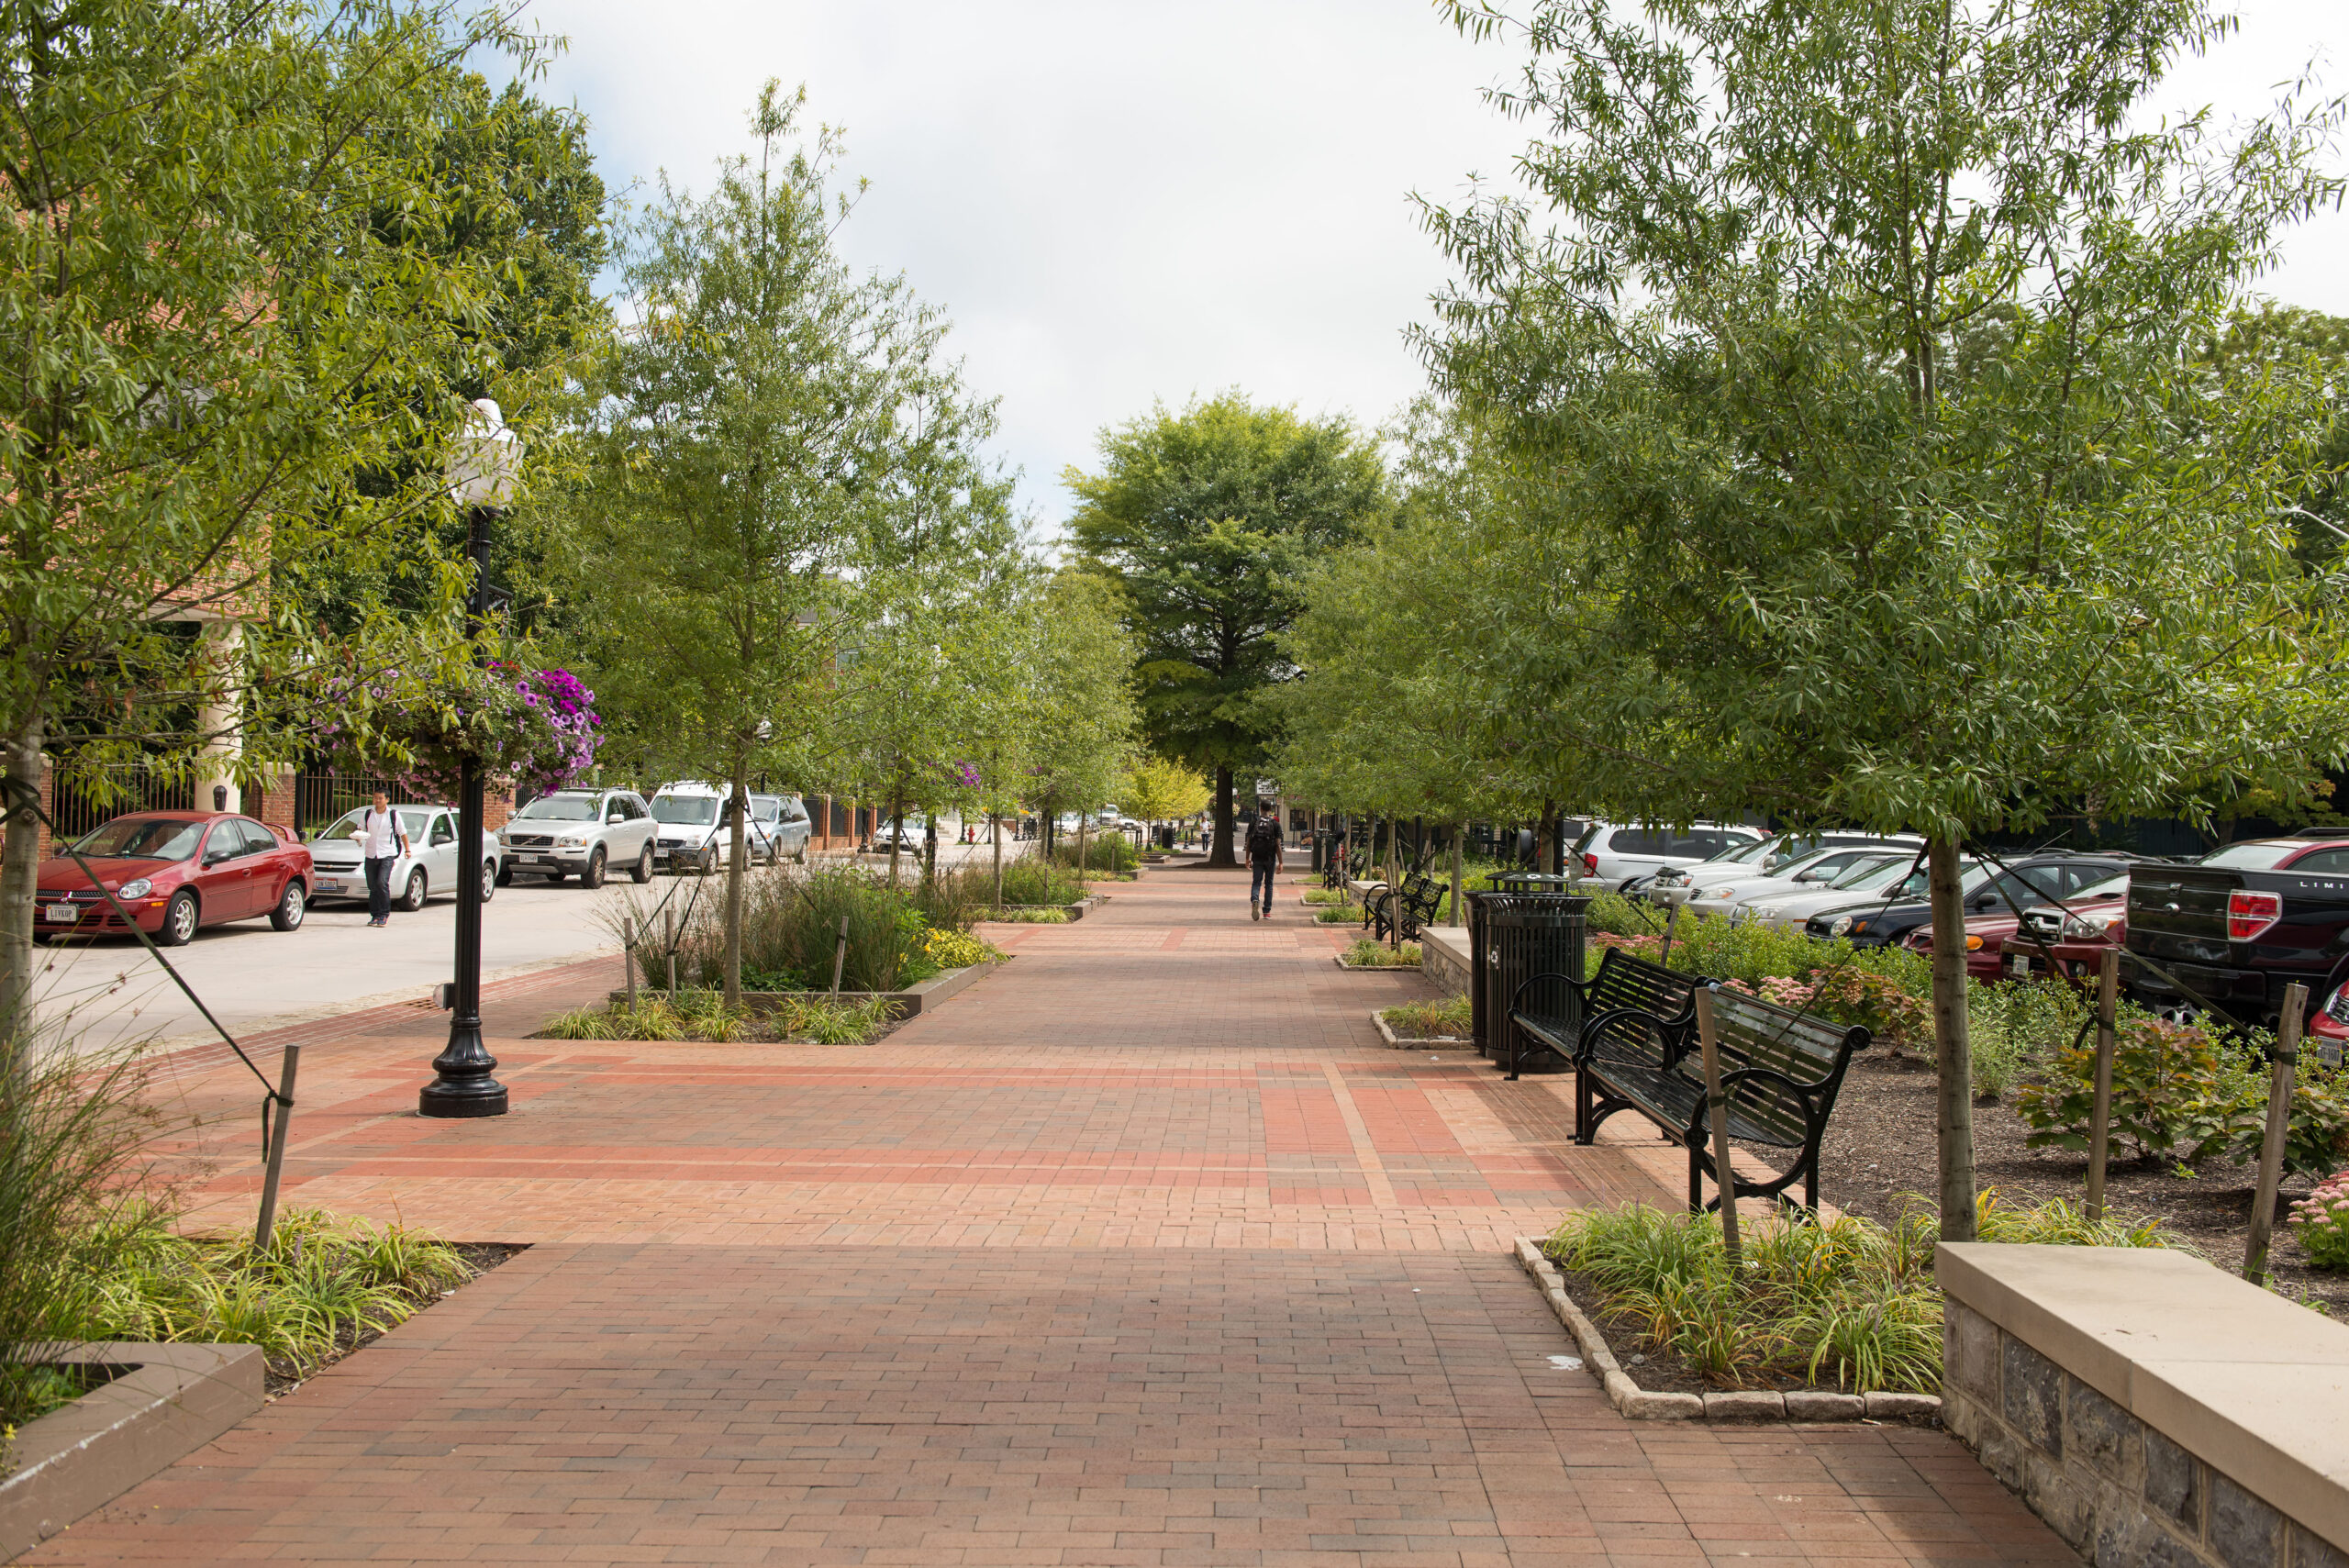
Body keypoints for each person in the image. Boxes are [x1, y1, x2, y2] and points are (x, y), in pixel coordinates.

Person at [351, 791, 410, 928]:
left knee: (381, 882)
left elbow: (403, 833)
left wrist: (407, 850)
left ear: (387, 799)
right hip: (371, 854)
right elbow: (360, 829)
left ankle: (384, 914)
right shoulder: (368, 814)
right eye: (375, 798)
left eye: (380, 798)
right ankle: (375, 915)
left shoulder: (393, 815)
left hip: (387, 853)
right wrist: (357, 836)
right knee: (372, 885)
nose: (377, 800)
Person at [1245, 802, 1283, 921]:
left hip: (1256, 857)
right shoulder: (1275, 824)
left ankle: (1255, 899)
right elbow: (1277, 845)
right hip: (1270, 858)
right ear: (1270, 809)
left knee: (1256, 882)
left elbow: (1249, 843)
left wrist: (1247, 858)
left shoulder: (1254, 822)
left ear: (1260, 808)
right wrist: (1281, 862)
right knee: (1269, 884)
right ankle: (1266, 911)